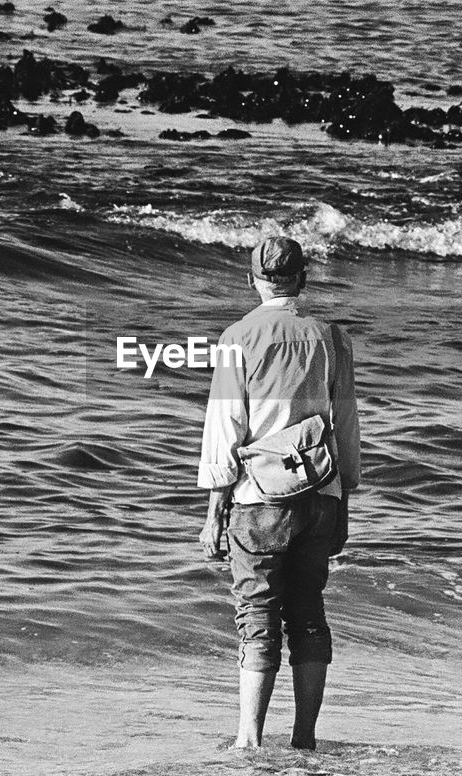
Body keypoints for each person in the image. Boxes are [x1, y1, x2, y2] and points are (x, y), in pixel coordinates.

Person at [197, 236, 361, 751]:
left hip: (259, 498)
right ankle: (305, 737)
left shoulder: (238, 336)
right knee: (309, 612)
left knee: (258, 613)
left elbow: (226, 425)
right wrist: (344, 498)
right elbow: (346, 424)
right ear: (303, 280)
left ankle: (249, 739)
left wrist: (214, 509)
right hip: (321, 493)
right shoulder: (330, 337)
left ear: (252, 281)